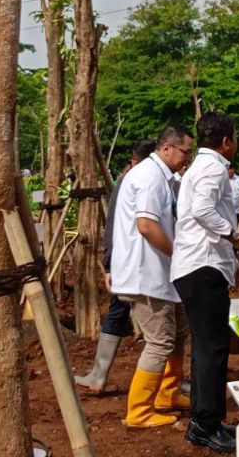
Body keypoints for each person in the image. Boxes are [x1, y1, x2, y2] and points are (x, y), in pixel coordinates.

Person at [171, 112, 239, 453]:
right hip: (201, 266)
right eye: (234, 138)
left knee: (207, 344)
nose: (235, 144)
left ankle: (202, 423)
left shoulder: (200, 167)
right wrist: (236, 237)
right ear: (226, 141)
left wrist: (230, 260)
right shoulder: (213, 167)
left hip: (201, 264)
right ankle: (207, 424)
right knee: (212, 346)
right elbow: (203, 210)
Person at [111, 126, 194, 429]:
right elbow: (146, 225)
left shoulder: (161, 176)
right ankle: (139, 409)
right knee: (160, 341)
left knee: (178, 333)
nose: (187, 158)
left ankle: (167, 393)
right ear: (167, 147)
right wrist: (179, 254)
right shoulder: (148, 177)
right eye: (185, 151)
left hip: (162, 272)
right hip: (145, 272)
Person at [76, 138, 157, 394]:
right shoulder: (137, 180)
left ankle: (100, 375)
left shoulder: (140, 179)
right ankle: (100, 375)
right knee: (160, 326)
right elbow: (113, 224)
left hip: (133, 262)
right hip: (136, 262)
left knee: (124, 314)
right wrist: (109, 263)